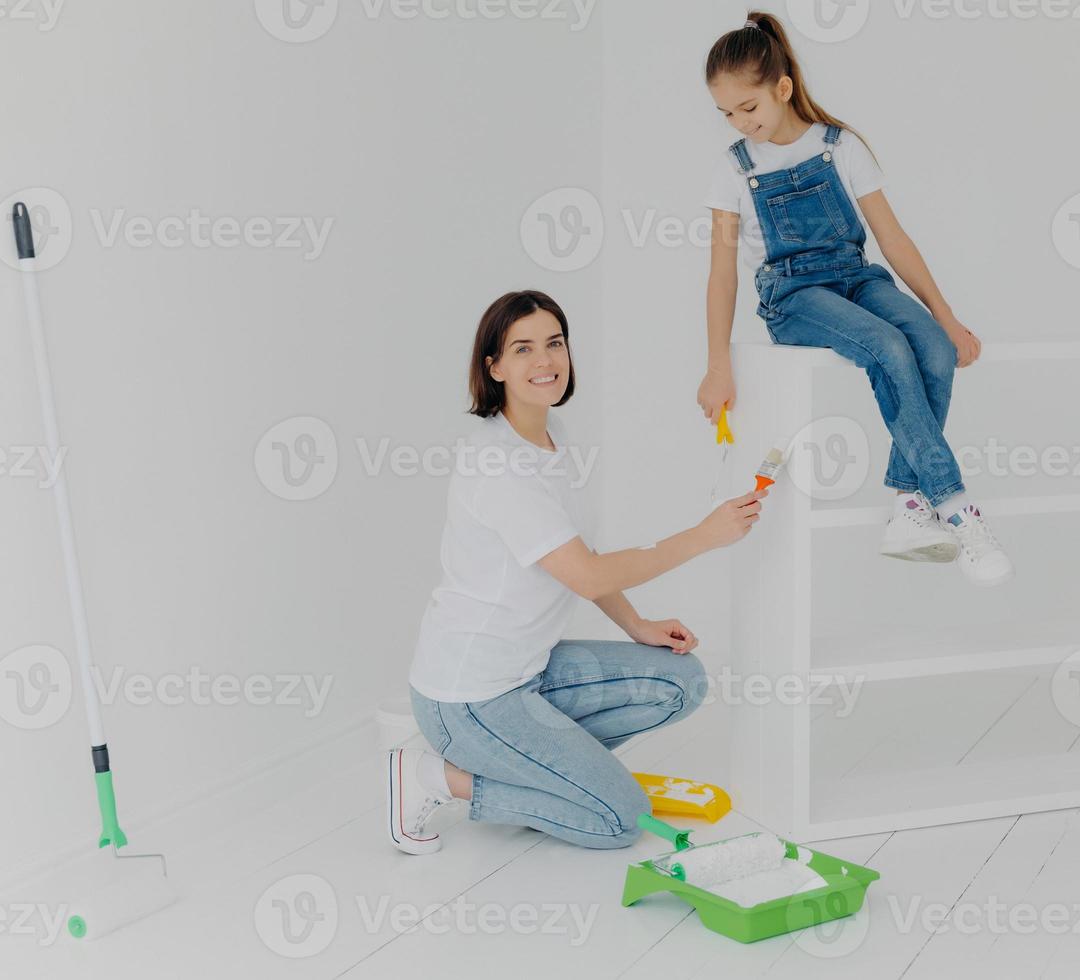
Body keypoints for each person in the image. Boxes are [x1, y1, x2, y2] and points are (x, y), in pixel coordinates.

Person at [391, 289, 767, 853]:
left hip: (530, 673)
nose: (545, 361)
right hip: (470, 698)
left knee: (679, 681)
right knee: (620, 821)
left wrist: (636, 625)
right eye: (523, 349)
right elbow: (588, 575)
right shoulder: (498, 466)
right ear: (493, 367)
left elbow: (578, 555)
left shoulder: (549, 436)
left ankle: (550, 777)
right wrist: (704, 536)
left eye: (554, 343)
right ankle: (432, 777)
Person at [697, 11, 1014, 587]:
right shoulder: (732, 170)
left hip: (857, 277)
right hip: (792, 296)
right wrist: (717, 365)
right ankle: (954, 503)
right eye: (727, 113)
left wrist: (948, 319)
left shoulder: (840, 147)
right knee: (886, 346)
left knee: (934, 351)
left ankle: (905, 505)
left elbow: (893, 240)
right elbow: (723, 274)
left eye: (750, 108)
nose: (740, 123)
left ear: (782, 88)